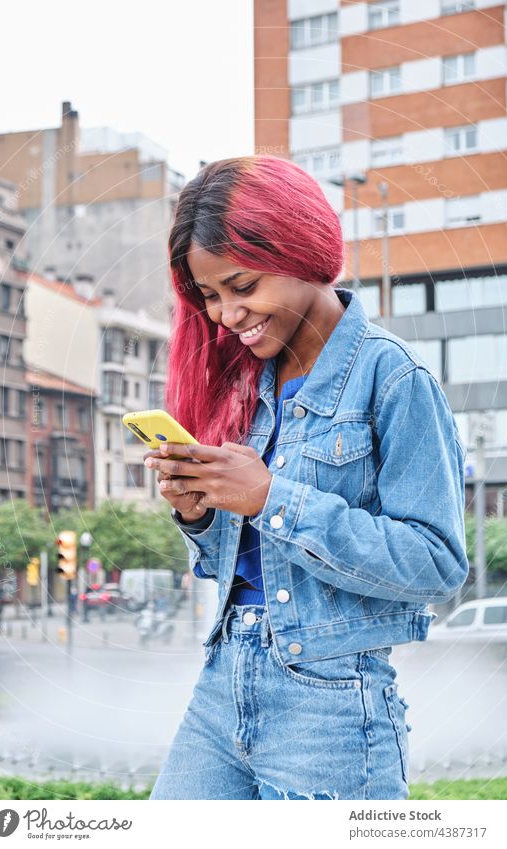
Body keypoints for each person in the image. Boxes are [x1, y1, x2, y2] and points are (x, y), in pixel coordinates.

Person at [144, 155, 469, 800]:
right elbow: (234, 566)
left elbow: (437, 563)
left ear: (301, 251)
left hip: (331, 697)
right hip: (224, 676)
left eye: (242, 286)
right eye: (208, 296)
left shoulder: (394, 379)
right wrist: (201, 516)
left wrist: (271, 498)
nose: (225, 315)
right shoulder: (248, 385)